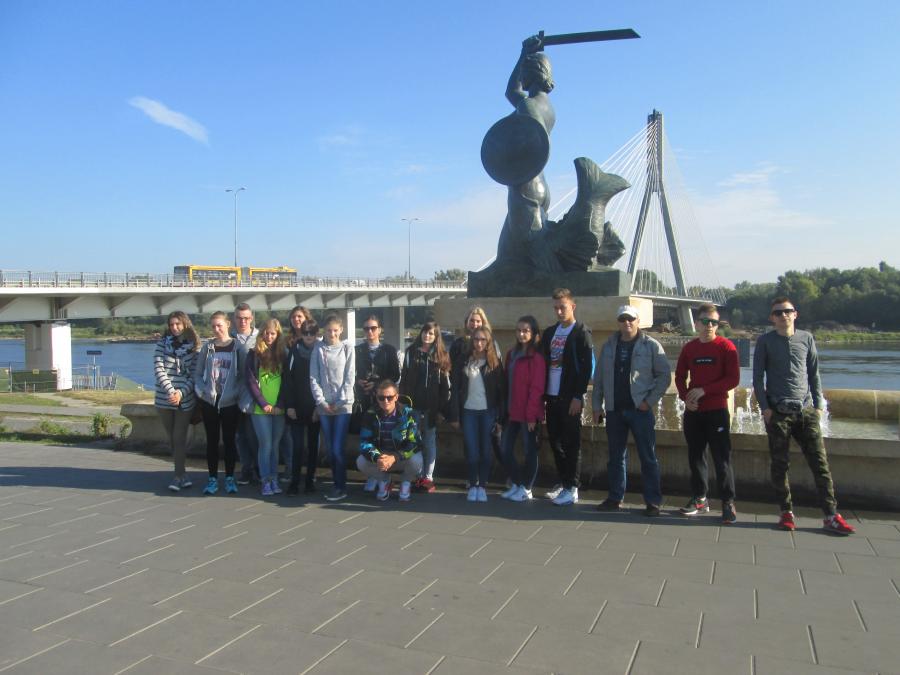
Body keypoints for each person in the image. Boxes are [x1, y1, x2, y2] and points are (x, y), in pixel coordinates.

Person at [753, 297, 855, 535]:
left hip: (805, 410)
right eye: (778, 313)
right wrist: (765, 408)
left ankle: (831, 515)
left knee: (820, 464)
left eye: (787, 311)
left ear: (795, 314)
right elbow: (757, 377)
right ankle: (786, 512)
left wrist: (818, 405)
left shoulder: (807, 338)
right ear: (772, 318)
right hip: (778, 412)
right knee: (780, 465)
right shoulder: (765, 341)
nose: (783, 315)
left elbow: (814, 373)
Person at [592, 304, 671, 516]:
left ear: (638, 321)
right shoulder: (608, 346)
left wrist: (649, 401)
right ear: (618, 322)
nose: (626, 322)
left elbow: (664, 376)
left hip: (640, 411)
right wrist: (597, 406)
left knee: (648, 457)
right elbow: (599, 379)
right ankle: (615, 498)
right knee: (615, 458)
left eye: (630, 319)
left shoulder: (651, 345)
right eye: (622, 319)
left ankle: (653, 502)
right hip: (614, 410)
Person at [674, 304, 740, 523]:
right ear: (697, 323)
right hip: (694, 412)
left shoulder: (726, 347)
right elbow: (680, 376)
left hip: (717, 410)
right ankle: (700, 499)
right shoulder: (690, 348)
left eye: (714, 322)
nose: (709, 326)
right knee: (695, 456)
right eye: (705, 321)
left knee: (722, 458)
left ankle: (728, 502)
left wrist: (705, 390)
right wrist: (686, 397)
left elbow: (733, 379)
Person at [542, 288, 594, 506]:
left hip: (569, 397)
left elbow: (586, 368)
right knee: (555, 442)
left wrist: (578, 396)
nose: (559, 311)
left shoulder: (581, 332)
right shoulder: (549, 333)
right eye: (555, 308)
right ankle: (563, 482)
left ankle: (572, 487)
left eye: (562, 307)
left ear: (573, 306)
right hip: (551, 396)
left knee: (572, 443)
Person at [449, 306, 505, 480]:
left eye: (478, 321)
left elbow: (499, 383)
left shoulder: (492, 348)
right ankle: (473, 479)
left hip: (488, 408)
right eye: (471, 320)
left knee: (490, 445)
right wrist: (454, 413)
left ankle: (489, 478)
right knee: (471, 447)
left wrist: (500, 416)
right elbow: (454, 379)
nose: (474, 324)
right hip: (468, 407)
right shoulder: (459, 348)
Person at [400, 321, 451, 492]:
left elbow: (446, 386)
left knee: (429, 441)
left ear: (436, 337)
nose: (427, 336)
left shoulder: (441, 356)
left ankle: (428, 477)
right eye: (425, 332)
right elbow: (404, 379)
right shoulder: (411, 352)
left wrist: (442, 408)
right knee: (414, 440)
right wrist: (403, 403)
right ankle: (418, 474)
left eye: (431, 333)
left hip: (432, 407)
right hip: (413, 405)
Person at [194, 311, 241, 495]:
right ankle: (212, 478)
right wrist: (203, 391)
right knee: (212, 442)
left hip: (230, 403)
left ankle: (229, 478)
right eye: (213, 326)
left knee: (229, 441)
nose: (216, 329)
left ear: (228, 324)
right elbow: (198, 374)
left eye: (219, 325)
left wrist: (235, 394)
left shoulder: (238, 347)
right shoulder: (208, 347)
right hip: (210, 402)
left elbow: (245, 376)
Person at [310, 313, 355, 501]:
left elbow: (350, 377)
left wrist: (339, 402)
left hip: (343, 406)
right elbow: (314, 377)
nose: (332, 334)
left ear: (341, 330)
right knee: (329, 449)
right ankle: (336, 483)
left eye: (335, 330)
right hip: (324, 407)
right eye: (329, 330)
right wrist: (321, 402)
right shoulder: (318, 349)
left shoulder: (347, 348)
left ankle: (340, 486)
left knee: (337, 448)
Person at [500, 316, 546, 502]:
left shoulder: (536, 357)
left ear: (534, 333)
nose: (521, 334)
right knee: (505, 449)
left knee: (530, 452)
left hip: (528, 414)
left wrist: (531, 415)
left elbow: (537, 388)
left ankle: (527, 488)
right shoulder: (512, 354)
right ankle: (518, 483)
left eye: (526, 330)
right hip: (512, 411)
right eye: (518, 330)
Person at [154, 311, 200, 492]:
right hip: (164, 399)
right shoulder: (161, 344)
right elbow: (159, 369)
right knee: (172, 439)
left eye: (178, 324)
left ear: (185, 324)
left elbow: (194, 375)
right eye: (171, 324)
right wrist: (171, 391)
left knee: (179, 437)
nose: (174, 328)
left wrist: (180, 393)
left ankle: (177, 476)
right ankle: (183, 474)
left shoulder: (194, 346)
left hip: (185, 400)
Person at [354, 315, 401, 492]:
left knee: (383, 436)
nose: (370, 332)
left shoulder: (389, 350)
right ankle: (374, 475)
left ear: (380, 330)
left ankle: (383, 474)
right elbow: (350, 371)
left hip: (383, 400)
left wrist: (377, 384)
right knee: (368, 437)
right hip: (364, 400)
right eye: (366, 328)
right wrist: (358, 381)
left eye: (373, 328)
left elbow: (395, 375)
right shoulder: (357, 350)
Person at [356, 380, 422, 502]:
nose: (385, 401)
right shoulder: (370, 414)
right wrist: (378, 457)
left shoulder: (409, 414)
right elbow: (364, 441)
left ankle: (406, 483)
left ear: (396, 397)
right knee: (361, 461)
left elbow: (414, 443)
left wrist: (395, 457)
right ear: (377, 398)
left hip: (401, 456)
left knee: (417, 460)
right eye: (381, 398)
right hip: (382, 456)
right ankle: (384, 481)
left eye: (389, 397)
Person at [245, 318, 288, 497]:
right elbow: (250, 382)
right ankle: (265, 480)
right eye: (266, 333)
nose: (269, 337)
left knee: (275, 445)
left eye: (273, 334)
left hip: (278, 408)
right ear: (261, 334)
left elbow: (287, 382)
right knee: (266, 444)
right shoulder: (254, 354)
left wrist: (279, 404)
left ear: (278, 335)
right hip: (260, 409)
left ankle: (274, 478)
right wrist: (264, 404)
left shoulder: (283, 354)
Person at [284, 318, 321, 496]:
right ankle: (294, 482)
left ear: (316, 334)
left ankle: (310, 481)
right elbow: (287, 379)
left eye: (312, 333)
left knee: (313, 447)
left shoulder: (321, 350)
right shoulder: (294, 350)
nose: (308, 336)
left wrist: (318, 407)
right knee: (297, 447)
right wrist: (289, 405)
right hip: (296, 407)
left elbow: (324, 380)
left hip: (314, 407)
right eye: (305, 333)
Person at [280, 306, 314, 482]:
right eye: (293, 317)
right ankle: (291, 471)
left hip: (312, 399)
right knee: (292, 440)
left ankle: (310, 476)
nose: (296, 319)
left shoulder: (316, 342)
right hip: (293, 396)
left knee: (312, 442)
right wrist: (289, 403)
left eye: (299, 316)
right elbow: (286, 374)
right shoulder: (287, 342)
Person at [232, 303, 259, 485]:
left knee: (253, 435)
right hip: (233, 395)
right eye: (239, 318)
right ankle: (246, 469)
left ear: (251, 318)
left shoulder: (260, 337)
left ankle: (258, 469)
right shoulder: (229, 339)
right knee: (240, 436)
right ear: (234, 319)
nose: (243, 321)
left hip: (254, 395)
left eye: (246, 318)